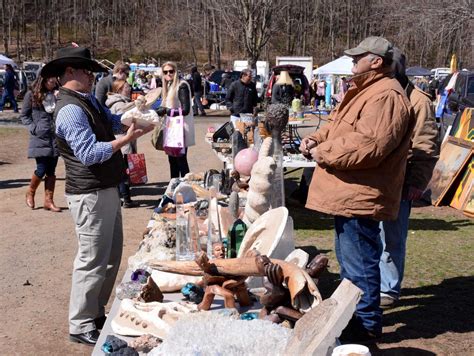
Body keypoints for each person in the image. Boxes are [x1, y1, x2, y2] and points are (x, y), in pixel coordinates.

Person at [299, 36, 414, 342]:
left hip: (361, 195)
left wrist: (321, 153)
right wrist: (316, 138)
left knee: (360, 265)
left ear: (376, 61)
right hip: (350, 194)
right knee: (352, 263)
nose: (351, 63)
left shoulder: (385, 96)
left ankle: (364, 330)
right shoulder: (366, 90)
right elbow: (337, 127)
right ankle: (357, 323)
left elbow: (369, 144)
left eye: (356, 58)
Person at [41, 46, 153, 345]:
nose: (92, 76)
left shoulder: (86, 100)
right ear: (69, 72)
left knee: (110, 257)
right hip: (89, 193)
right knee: (91, 261)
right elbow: (89, 154)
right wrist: (124, 141)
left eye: (92, 72)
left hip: (104, 189)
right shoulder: (70, 108)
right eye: (86, 71)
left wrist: (134, 121)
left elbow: (112, 123)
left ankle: (95, 313)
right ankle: (80, 324)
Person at [379, 48, 439, 308]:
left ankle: (388, 289)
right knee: (373, 237)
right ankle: (374, 285)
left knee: (392, 237)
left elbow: (425, 145)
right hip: (376, 180)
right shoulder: (380, 94)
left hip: (402, 181)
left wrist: (417, 182)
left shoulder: (418, 101)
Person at [20, 71, 61, 212]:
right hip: (40, 137)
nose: (53, 83)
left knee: (51, 170)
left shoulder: (56, 94)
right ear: (43, 80)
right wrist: (33, 128)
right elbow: (24, 115)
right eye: (51, 80)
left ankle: (48, 201)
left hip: (54, 137)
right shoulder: (31, 95)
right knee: (41, 169)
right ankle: (30, 192)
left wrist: (58, 100)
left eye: (54, 81)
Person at [156, 61, 195, 179]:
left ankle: (186, 189)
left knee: (181, 161)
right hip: (171, 128)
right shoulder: (168, 85)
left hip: (180, 130)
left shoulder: (181, 85)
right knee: (173, 162)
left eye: (171, 71)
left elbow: (185, 110)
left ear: (176, 71)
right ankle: (172, 191)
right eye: (165, 72)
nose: (168, 74)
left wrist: (166, 111)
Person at [105, 79, 139, 208]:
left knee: (121, 171)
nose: (129, 88)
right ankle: (126, 199)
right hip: (123, 141)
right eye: (126, 87)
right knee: (123, 172)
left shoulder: (120, 102)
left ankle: (122, 198)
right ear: (119, 89)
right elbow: (122, 123)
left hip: (121, 141)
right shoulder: (119, 104)